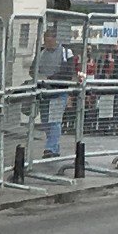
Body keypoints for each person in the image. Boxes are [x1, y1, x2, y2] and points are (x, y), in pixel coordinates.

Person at [36, 29, 77, 159]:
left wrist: (51, 79)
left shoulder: (66, 52)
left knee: (54, 120)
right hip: (44, 91)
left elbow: (68, 72)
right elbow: (34, 68)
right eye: (45, 40)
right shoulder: (42, 53)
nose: (46, 43)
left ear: (54, 39)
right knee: (46, 121)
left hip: (58, 91)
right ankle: (54, 146)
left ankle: (50, 148)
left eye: (49, 40)